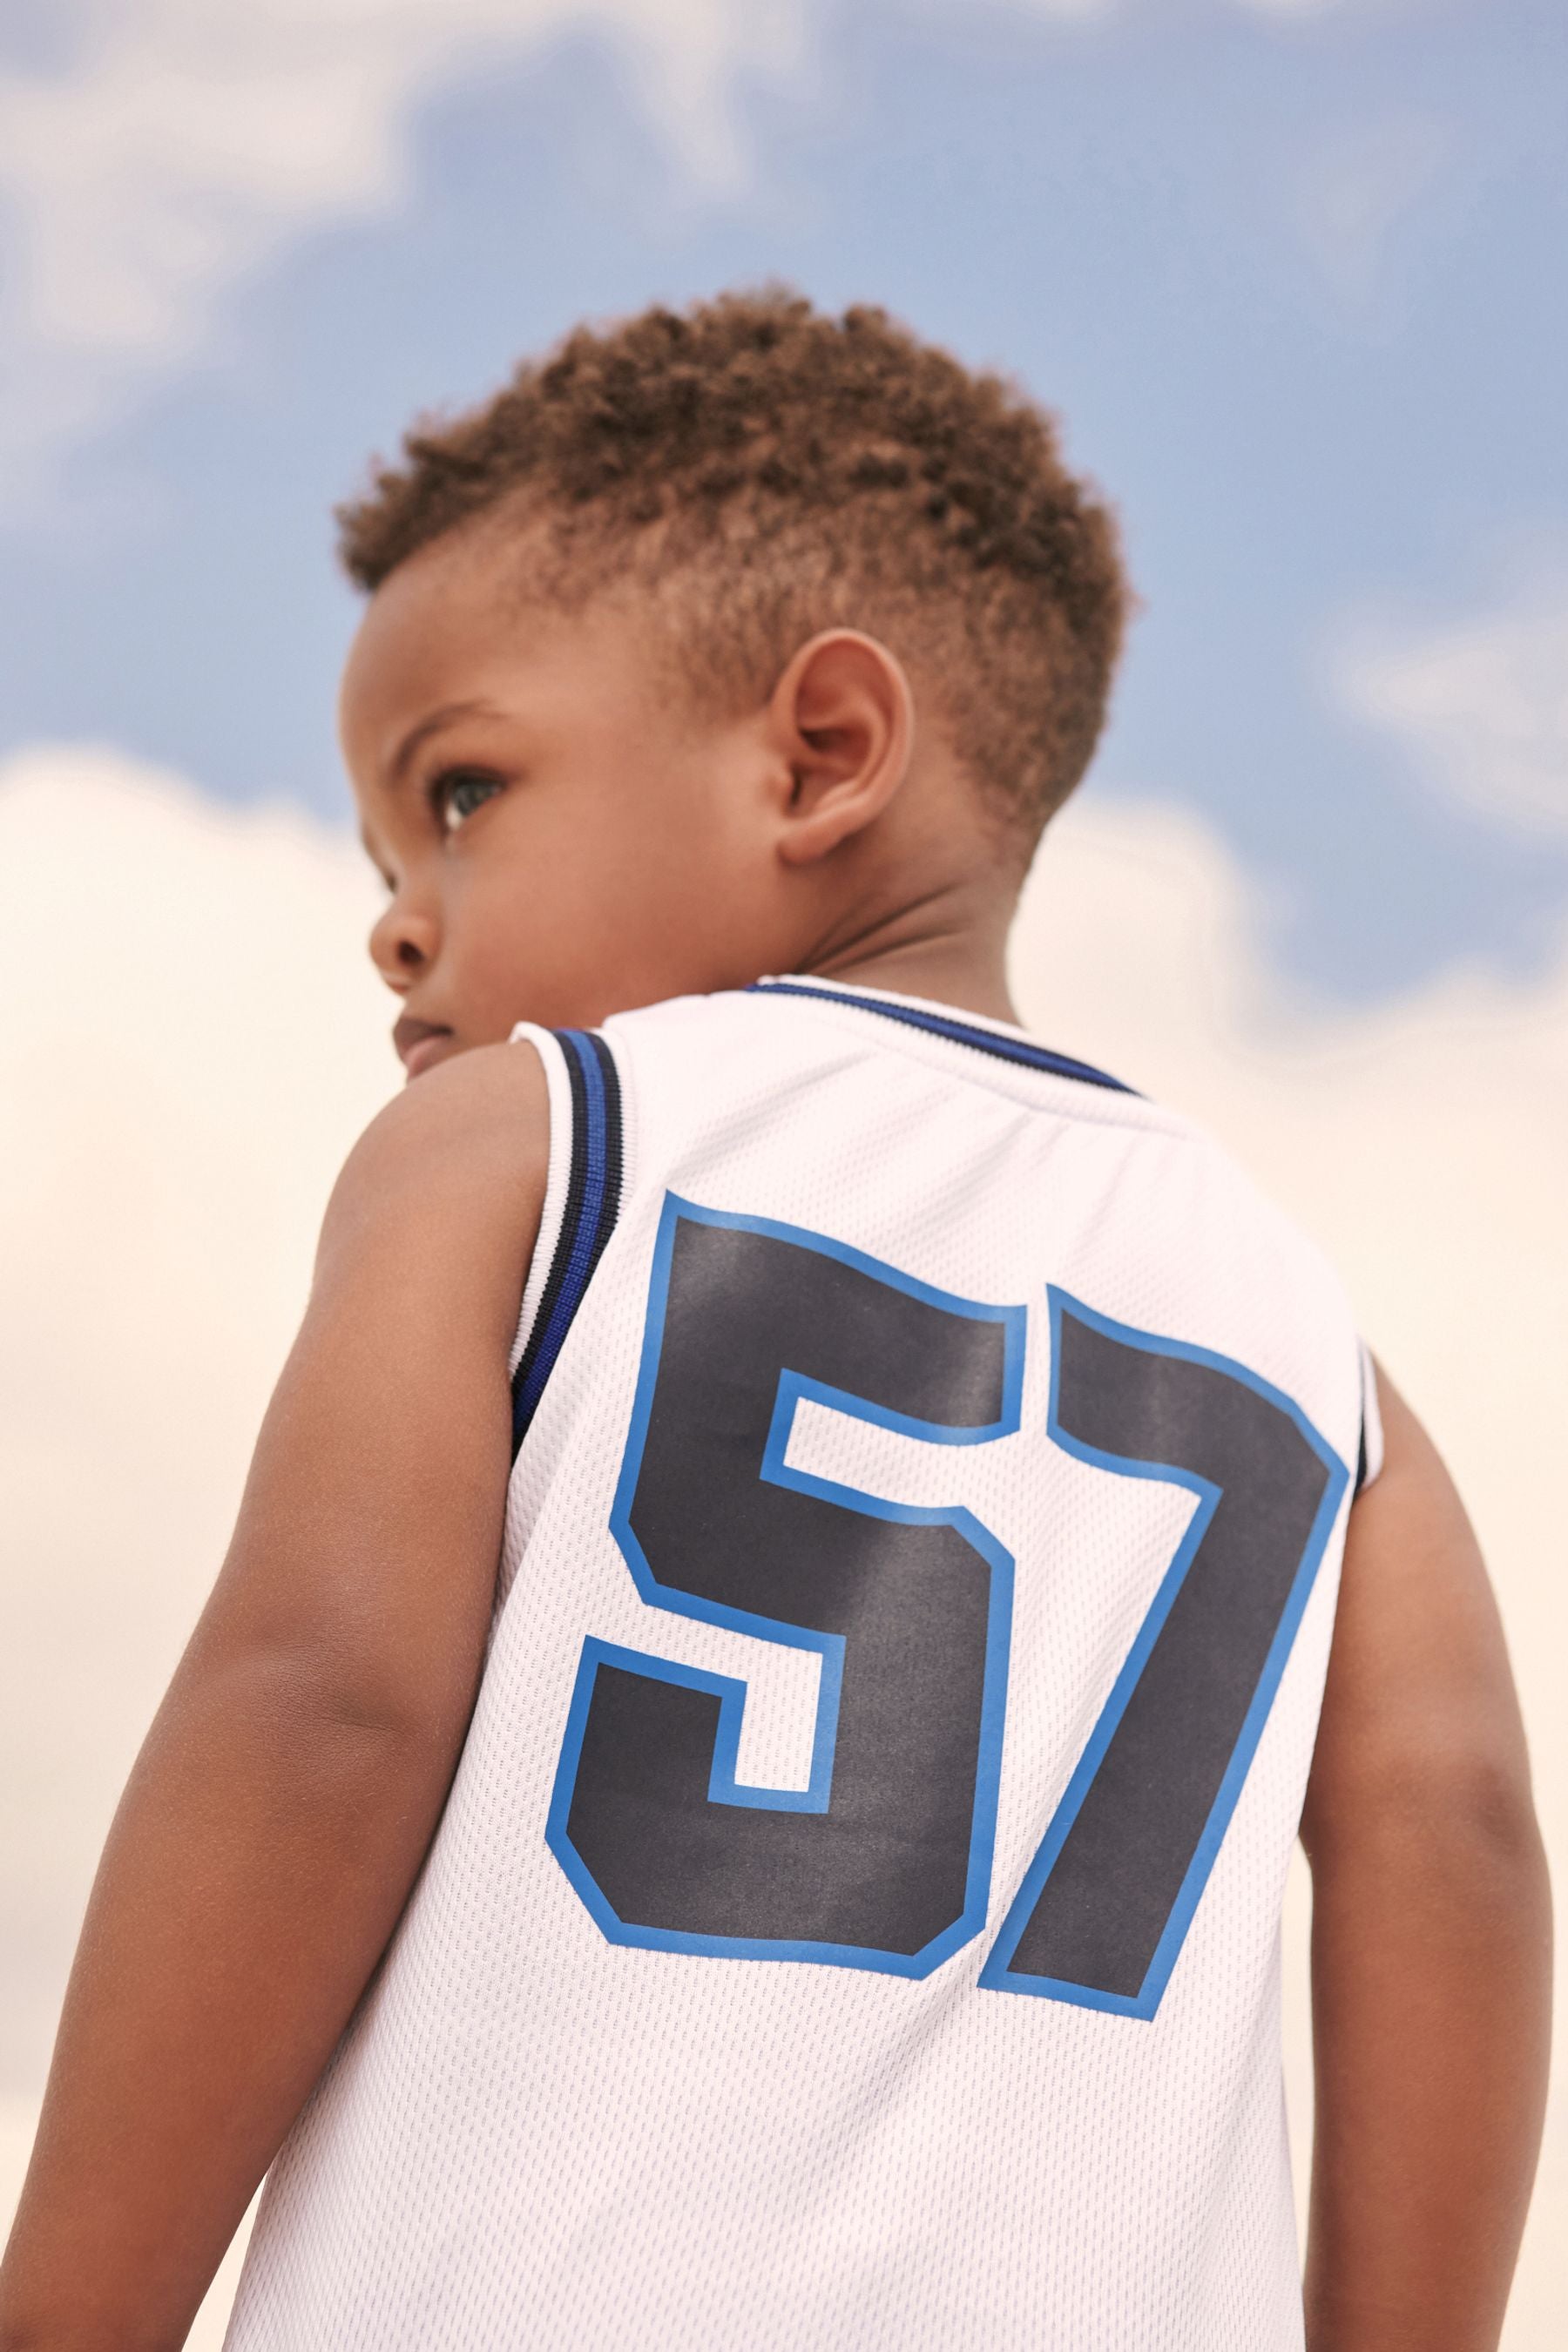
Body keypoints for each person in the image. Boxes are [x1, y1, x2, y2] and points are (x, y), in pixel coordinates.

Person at [0, 291, 1550, 2352]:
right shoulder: (1311, 1346)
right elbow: (1455, 1842)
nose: (395, 910)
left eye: (457, 793)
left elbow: (321, 1705)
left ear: (819, 753)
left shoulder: (533, 1143)